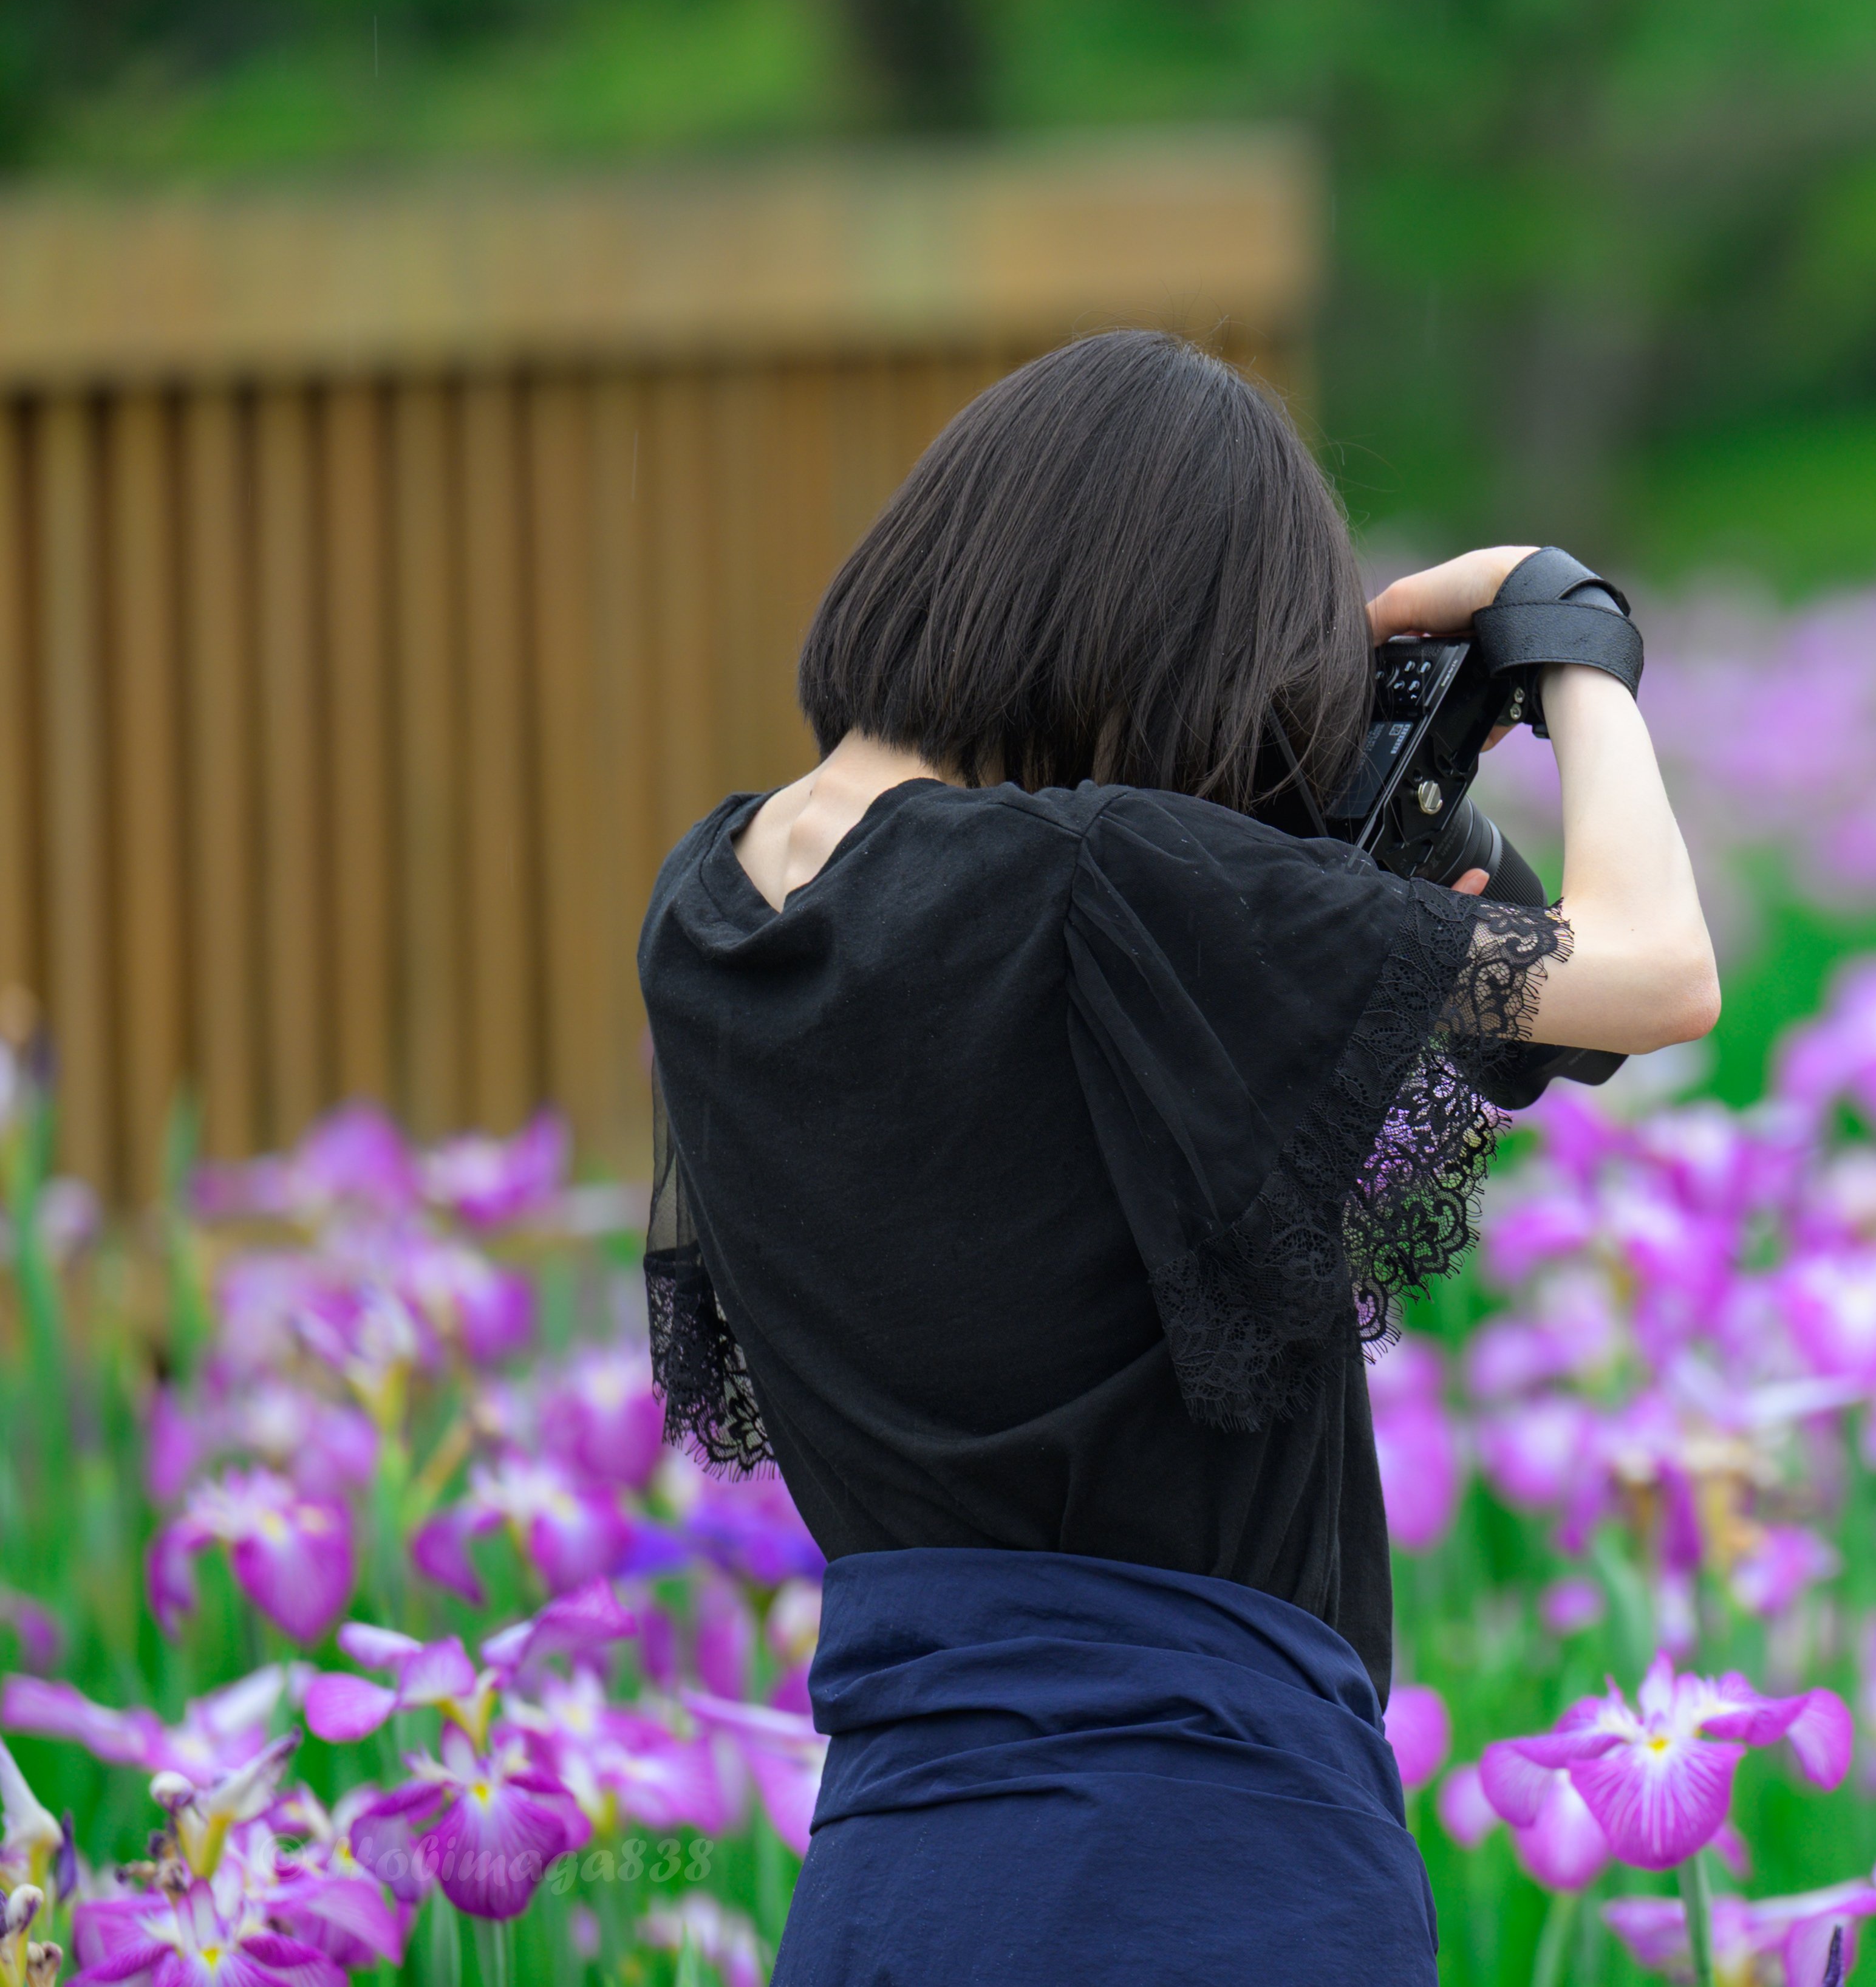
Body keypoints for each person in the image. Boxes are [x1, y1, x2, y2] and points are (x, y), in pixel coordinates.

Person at [636, 329, 1719, 1983]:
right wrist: (1566, 633)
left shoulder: (709, 911)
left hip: (892, 1883)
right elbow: (1654, 975)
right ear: (1167, 633)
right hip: (1213, 1861)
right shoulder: (1107, 881)